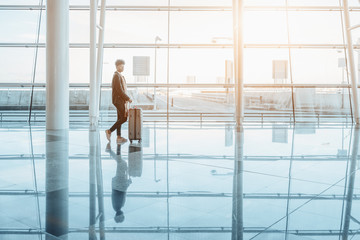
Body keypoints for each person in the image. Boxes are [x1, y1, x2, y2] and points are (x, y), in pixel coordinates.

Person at [105, 59, 132, 144]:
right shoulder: (116, 76)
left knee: (119, 118)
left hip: (119, 100)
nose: (122, 67)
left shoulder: (119, 75)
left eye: (123, 66)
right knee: (124, 118)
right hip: (118, 100)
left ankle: (119, 137)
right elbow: (119, 90)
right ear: (117, 66)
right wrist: (128, 98)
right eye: (121, 66)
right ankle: (109, 131)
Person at [106, 143, 132, 223]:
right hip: (117, 184)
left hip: (119, 184)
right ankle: (112, 149)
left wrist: (128, 182)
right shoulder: (117, 207)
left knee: (122, 163)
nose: (123, 214)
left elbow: (122, 191)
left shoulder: (118, 206)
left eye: (122, 216)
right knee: (122, 163)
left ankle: (115, 148)